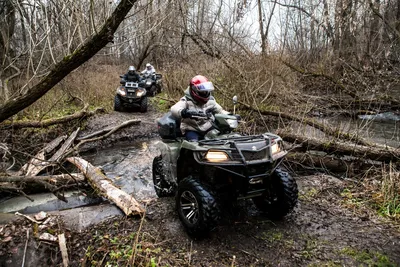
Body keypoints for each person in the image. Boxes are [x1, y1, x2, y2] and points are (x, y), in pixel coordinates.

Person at [171, 75, 229, 141]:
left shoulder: (211, 100)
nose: (205, 93)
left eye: (206, 91)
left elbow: (220, 110)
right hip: (192, 129)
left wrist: (230, 115)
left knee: (220, 139)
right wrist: (183, 112)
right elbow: (174, 108)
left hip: (208, 127)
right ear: (194, 90)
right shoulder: (186, 100)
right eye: (202, 91)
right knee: (193, 144)